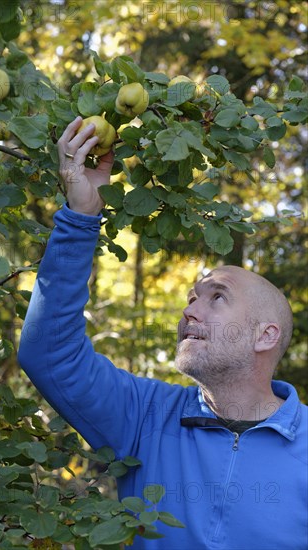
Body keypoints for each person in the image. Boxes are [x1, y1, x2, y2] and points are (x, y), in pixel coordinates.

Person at [17, 117, 308, 550]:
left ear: (264, 336)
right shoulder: (144, 416)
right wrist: (82, 217)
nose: (191, 306)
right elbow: (50, 355)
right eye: (192, 296)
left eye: (217, 297)